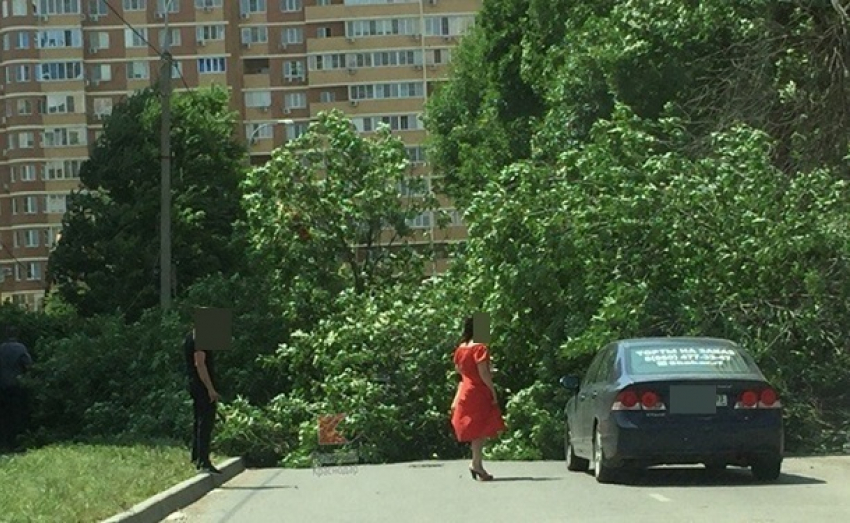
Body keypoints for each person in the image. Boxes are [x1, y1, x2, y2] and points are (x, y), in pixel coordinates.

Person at [450, 316, 506, 481]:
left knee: (476, 429)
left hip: (465, 389)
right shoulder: (480, 348)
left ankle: (477, 463)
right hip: (478, 391)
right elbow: (483, 373)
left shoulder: (461, 348)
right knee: (480, 429)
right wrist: (492, 391)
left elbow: (460, 371)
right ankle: (476, 464)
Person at [185, 327, 221, 474]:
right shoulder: (200, 339)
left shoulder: (190, 336)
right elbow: (200, 364)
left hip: (194, 384)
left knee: (198, 420)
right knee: (205, 422)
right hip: (202, 386)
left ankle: (196, 456)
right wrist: (210, 389)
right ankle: (203, 460)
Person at [0, 326, 33, 452]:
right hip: (16, 386)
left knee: (4, 415)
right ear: (17, 334)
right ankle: (17, 442)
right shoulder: (20, 348)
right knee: (17, 414)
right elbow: (28, 365)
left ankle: (4, 442)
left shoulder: (1, 349)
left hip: (2, 386)